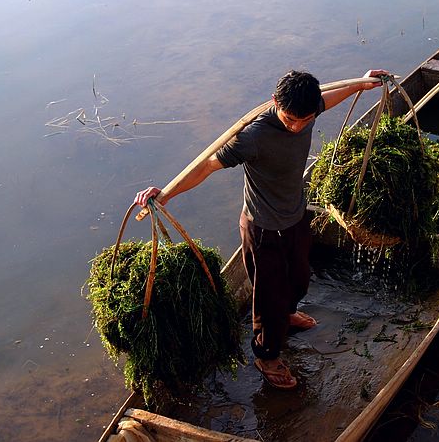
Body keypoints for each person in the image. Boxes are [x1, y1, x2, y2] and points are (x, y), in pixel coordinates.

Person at [135, 68, 387, 389]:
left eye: (305, 120)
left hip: (295, 217)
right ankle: (266, 355)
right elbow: (206, 166)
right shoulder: (252, 137)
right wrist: (166, 194)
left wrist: (360, 84)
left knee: (299, 278)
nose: (296, 127)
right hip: (263, 228)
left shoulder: (309, 108)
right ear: (274, 102)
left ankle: (288, 314)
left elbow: (328, 98)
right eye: (290, 119)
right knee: (269, 297)